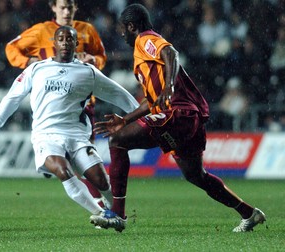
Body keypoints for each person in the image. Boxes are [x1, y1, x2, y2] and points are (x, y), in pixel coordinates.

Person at [90, 4, 266, 233]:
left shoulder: (145, 39)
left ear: (131, 26)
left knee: (117, 141)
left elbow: (170, 52)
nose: (121, 34)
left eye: (123, 29)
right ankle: (249, 213)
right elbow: (152, 100)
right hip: (185, 117)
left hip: (178, 113)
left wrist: (170, 87)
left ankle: (118, 213)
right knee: (196, 176)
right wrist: (126, 119)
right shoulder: (142, 55)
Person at [0, 26, 139, 223]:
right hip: (46, 135)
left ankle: (118, 212)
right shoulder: (36, 69)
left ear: (76, 43)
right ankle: (101, 212)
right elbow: (13, 97)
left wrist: (141, 114)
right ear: (54, 42)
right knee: (63, 171)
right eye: (61, 39)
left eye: (70, 39)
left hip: (77, 135)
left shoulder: (88, 72)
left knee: (101, 181)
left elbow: (118, 94)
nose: (65, 42)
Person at [5, 0, 108, 204]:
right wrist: (28, 62)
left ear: (75, 7)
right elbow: (11, 49)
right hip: (50, 105)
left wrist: (93, 61)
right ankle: (56, 164)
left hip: (83, 104)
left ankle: (100, 205)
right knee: (69, 157)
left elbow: (101, 56)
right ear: (53, 8)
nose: (67, 11)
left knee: (87, 161)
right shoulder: (41, 31)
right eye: (62, 7)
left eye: (70, 7)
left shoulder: (87, 30)